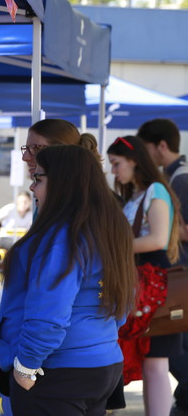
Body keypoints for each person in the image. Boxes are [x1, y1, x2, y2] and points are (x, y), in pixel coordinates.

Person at [0, 144, 135, 416]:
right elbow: (122, 303)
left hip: (59, 370)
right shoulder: (107, 229)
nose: (32, 187)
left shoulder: (63, 237)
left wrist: (26, 366)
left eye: (38, 179)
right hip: (101, 363)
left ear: (63, 183)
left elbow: (49, 312)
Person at [108, 135, 183, 416]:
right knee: (151, 362)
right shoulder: (140, 193)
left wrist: (114, 247)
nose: (113, 170)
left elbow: (158, 239)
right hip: (145, 282)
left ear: (133, 161)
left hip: (156, 284)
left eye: (116, 163)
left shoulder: (155, 190)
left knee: (156, 362)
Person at [136, 118, 188, 416]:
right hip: (176, 278)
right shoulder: (173, 178)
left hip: (179, 279)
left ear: (162, 146)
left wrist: (162, 227)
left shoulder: (180, 180)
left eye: (145, 149)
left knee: (173, 351)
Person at [21, 118, 100, 175]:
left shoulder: (76, 193)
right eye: (27, 148)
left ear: (63, 153)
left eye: (36, 148)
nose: (25, 157)